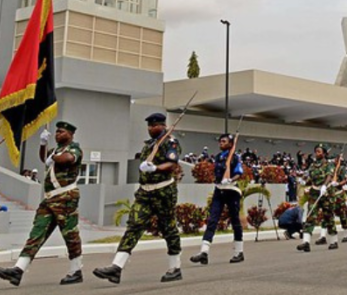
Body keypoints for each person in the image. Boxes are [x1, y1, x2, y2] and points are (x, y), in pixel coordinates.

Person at [94, 113, 182, 284]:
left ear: (163, 125)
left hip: (163, 192)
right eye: (149, 126)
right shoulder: (149, 145)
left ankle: (175, 267)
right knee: (134, 226)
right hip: (145, 193)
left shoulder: (170, 142)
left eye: (154, 125)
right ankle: (116, 267)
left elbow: (172, 164)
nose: (150, 129)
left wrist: (155, 168)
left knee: (168, 229)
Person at [0, 122, 83, 286]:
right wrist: (43, 145)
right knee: (36, 233)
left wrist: (53, 158)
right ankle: (18, 270)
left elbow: (69, 159)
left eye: (61, 132)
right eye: (56, 132)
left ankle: (76, 270)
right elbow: (45, 158)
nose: (57, 134)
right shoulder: (55, 151)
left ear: (70, 134)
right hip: (49, 199)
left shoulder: (74, 148)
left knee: (70, 235)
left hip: (65, 197)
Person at [190, 133, 244, 265]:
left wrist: (230, 179)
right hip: (219, 190)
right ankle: (204, 252)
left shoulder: (235, 158)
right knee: (212, 220)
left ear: (231, 144)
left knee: (235, 221)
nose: (221, 143)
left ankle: (239, 251)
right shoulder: (219, 157)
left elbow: (239, 173)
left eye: (224, 141)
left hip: (231, 190)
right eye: (220, 141)